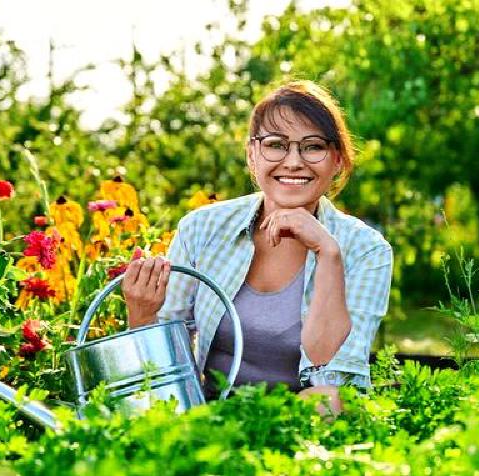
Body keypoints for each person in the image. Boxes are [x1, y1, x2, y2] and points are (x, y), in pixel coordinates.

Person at [121, 80, 393, 414]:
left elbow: (334, 380)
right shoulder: (202, 228)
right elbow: (160, 373)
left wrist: (328, 254)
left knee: (329, 402)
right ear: (252, 154)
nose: (293, 162)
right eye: (276, 144)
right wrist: (142, 313)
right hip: (210, 414)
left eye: (313, 147)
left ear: (337, 160)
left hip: (304, 420)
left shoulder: (366, 250)